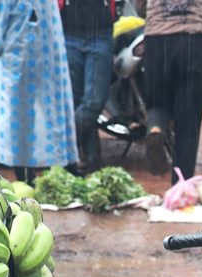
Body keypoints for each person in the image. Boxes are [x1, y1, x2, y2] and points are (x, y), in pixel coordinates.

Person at [0, 0, 79, 184]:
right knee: (22, 115)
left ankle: (63, 167)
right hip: (21, 48)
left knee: (48, 108)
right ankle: (25, 174)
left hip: (42, 46)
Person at [136, 0, 202, 182]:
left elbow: (140, 9)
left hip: (157, 42)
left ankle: (155, 129)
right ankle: (180, 187)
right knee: (188, 120)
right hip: (193, 40)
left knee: (158, 101)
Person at [60, 0, 116, 173]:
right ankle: (90, 159)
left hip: (100, 32)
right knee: (75, 100)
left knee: (95, 100)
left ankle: (66, 148)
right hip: (69, 31)